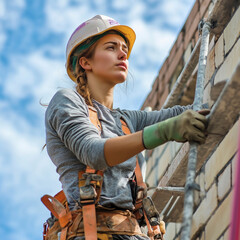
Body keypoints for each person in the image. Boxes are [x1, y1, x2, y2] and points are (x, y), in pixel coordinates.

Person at [43, 15, 208, 240]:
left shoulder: (125, 120)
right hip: (90, 233)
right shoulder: (66, 101)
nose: (122, 54)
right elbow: (93, 152)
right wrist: (165, 131)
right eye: (111, 47)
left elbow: (187, 113)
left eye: (124, 50)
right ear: (85, 62)